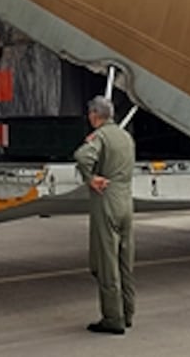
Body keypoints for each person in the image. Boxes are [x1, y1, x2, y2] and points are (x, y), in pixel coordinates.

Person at [73, 95, 135, 335]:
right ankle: (128, 313)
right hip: (125, 201)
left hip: (107, 200)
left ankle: (112, 318)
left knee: (106, 261)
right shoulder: (125, 136)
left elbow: (82, 156)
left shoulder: (100, 137)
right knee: (124, 261)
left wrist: (91, 178)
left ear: (94, 115)